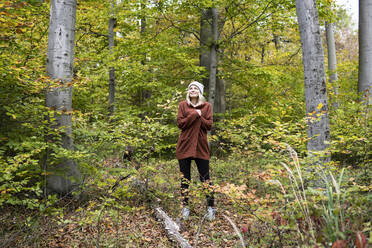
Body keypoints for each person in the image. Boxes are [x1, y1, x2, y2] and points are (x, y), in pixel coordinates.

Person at [176, 81, 216, 221]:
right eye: (191, 88)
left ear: (200, 92)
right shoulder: (182, 105)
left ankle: (211, 208)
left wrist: (200, 115)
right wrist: (195, 114)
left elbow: (209, 125)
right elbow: (180, 124)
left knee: (205, 178)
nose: (193, 90)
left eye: (196, 88)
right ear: (188, 92)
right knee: (185, 179)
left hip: (201, 146)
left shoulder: (207, 106)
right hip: (185, 145)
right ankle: (185, 207)